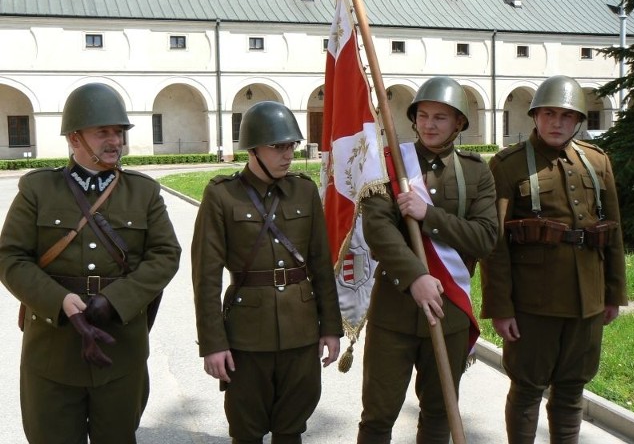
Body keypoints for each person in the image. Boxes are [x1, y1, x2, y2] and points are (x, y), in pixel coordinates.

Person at [0, 82, 181, 444]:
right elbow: (10, 257)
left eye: (119, 132)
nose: (115, 141)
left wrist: (117, 300)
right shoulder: (38, 190)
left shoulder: (143, 192)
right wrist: (60, 301)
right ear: (74, 139)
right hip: (51, 353)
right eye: (103, 133)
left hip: (121, 350)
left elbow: (166, 255)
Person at [480, 75, 628, 443]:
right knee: (528, 388)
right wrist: (501, 307)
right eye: (548, 113)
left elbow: (612, 232)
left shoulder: (596, 162)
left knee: (572, 388)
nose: (557, 123)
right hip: (534, 304)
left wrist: (613, 294)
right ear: (535, 116)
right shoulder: (508, 165)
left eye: (566, 115)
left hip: (587, 302)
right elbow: (495, 243)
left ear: (578, 120)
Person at [191, 100, 343, 444]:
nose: (287, 155)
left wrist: (331, 328)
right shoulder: (222, 196)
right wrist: (213, 344)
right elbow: (206, 277)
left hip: (301, 332)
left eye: (291, 146)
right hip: (247, 336)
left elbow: (321, 264)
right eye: (277, 147)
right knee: (246, 430)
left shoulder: (304, 190)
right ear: (253, 149)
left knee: (292, 428)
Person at [357, 77, 498, 444]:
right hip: (394, 309)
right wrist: (416, 275)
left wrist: (428, 215)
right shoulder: (391, 164)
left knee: (438, 414)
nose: (430, 125)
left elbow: (485, 237)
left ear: (458, 124)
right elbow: (378, 229)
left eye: (440, 117)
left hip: (448, 309)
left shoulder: (475, 171)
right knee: (377, 416)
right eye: (423, 116)